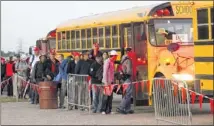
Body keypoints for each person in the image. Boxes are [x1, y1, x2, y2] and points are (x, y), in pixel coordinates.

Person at [116, 49, 134, 114]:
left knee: (127, 93)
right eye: (131, 52)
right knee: (128, 93)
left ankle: (127, 109)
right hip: (127, 78)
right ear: (129, 52)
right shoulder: (128, 60)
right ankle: (121, 107)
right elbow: (128, 70)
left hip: (123, 78)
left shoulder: (123, 59)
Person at [102, 50, 118, 114]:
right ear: (113, 56)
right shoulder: (107, 62)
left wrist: (113, 80)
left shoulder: (112, 62)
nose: (116, 57)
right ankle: (103, 110)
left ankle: (109, 110)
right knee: (106, 96)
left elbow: (112, 73)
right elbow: (105, 72)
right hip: (107, 82)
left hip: (111, 82)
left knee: (110, 97)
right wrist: (105, 81)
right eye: (115, 56)